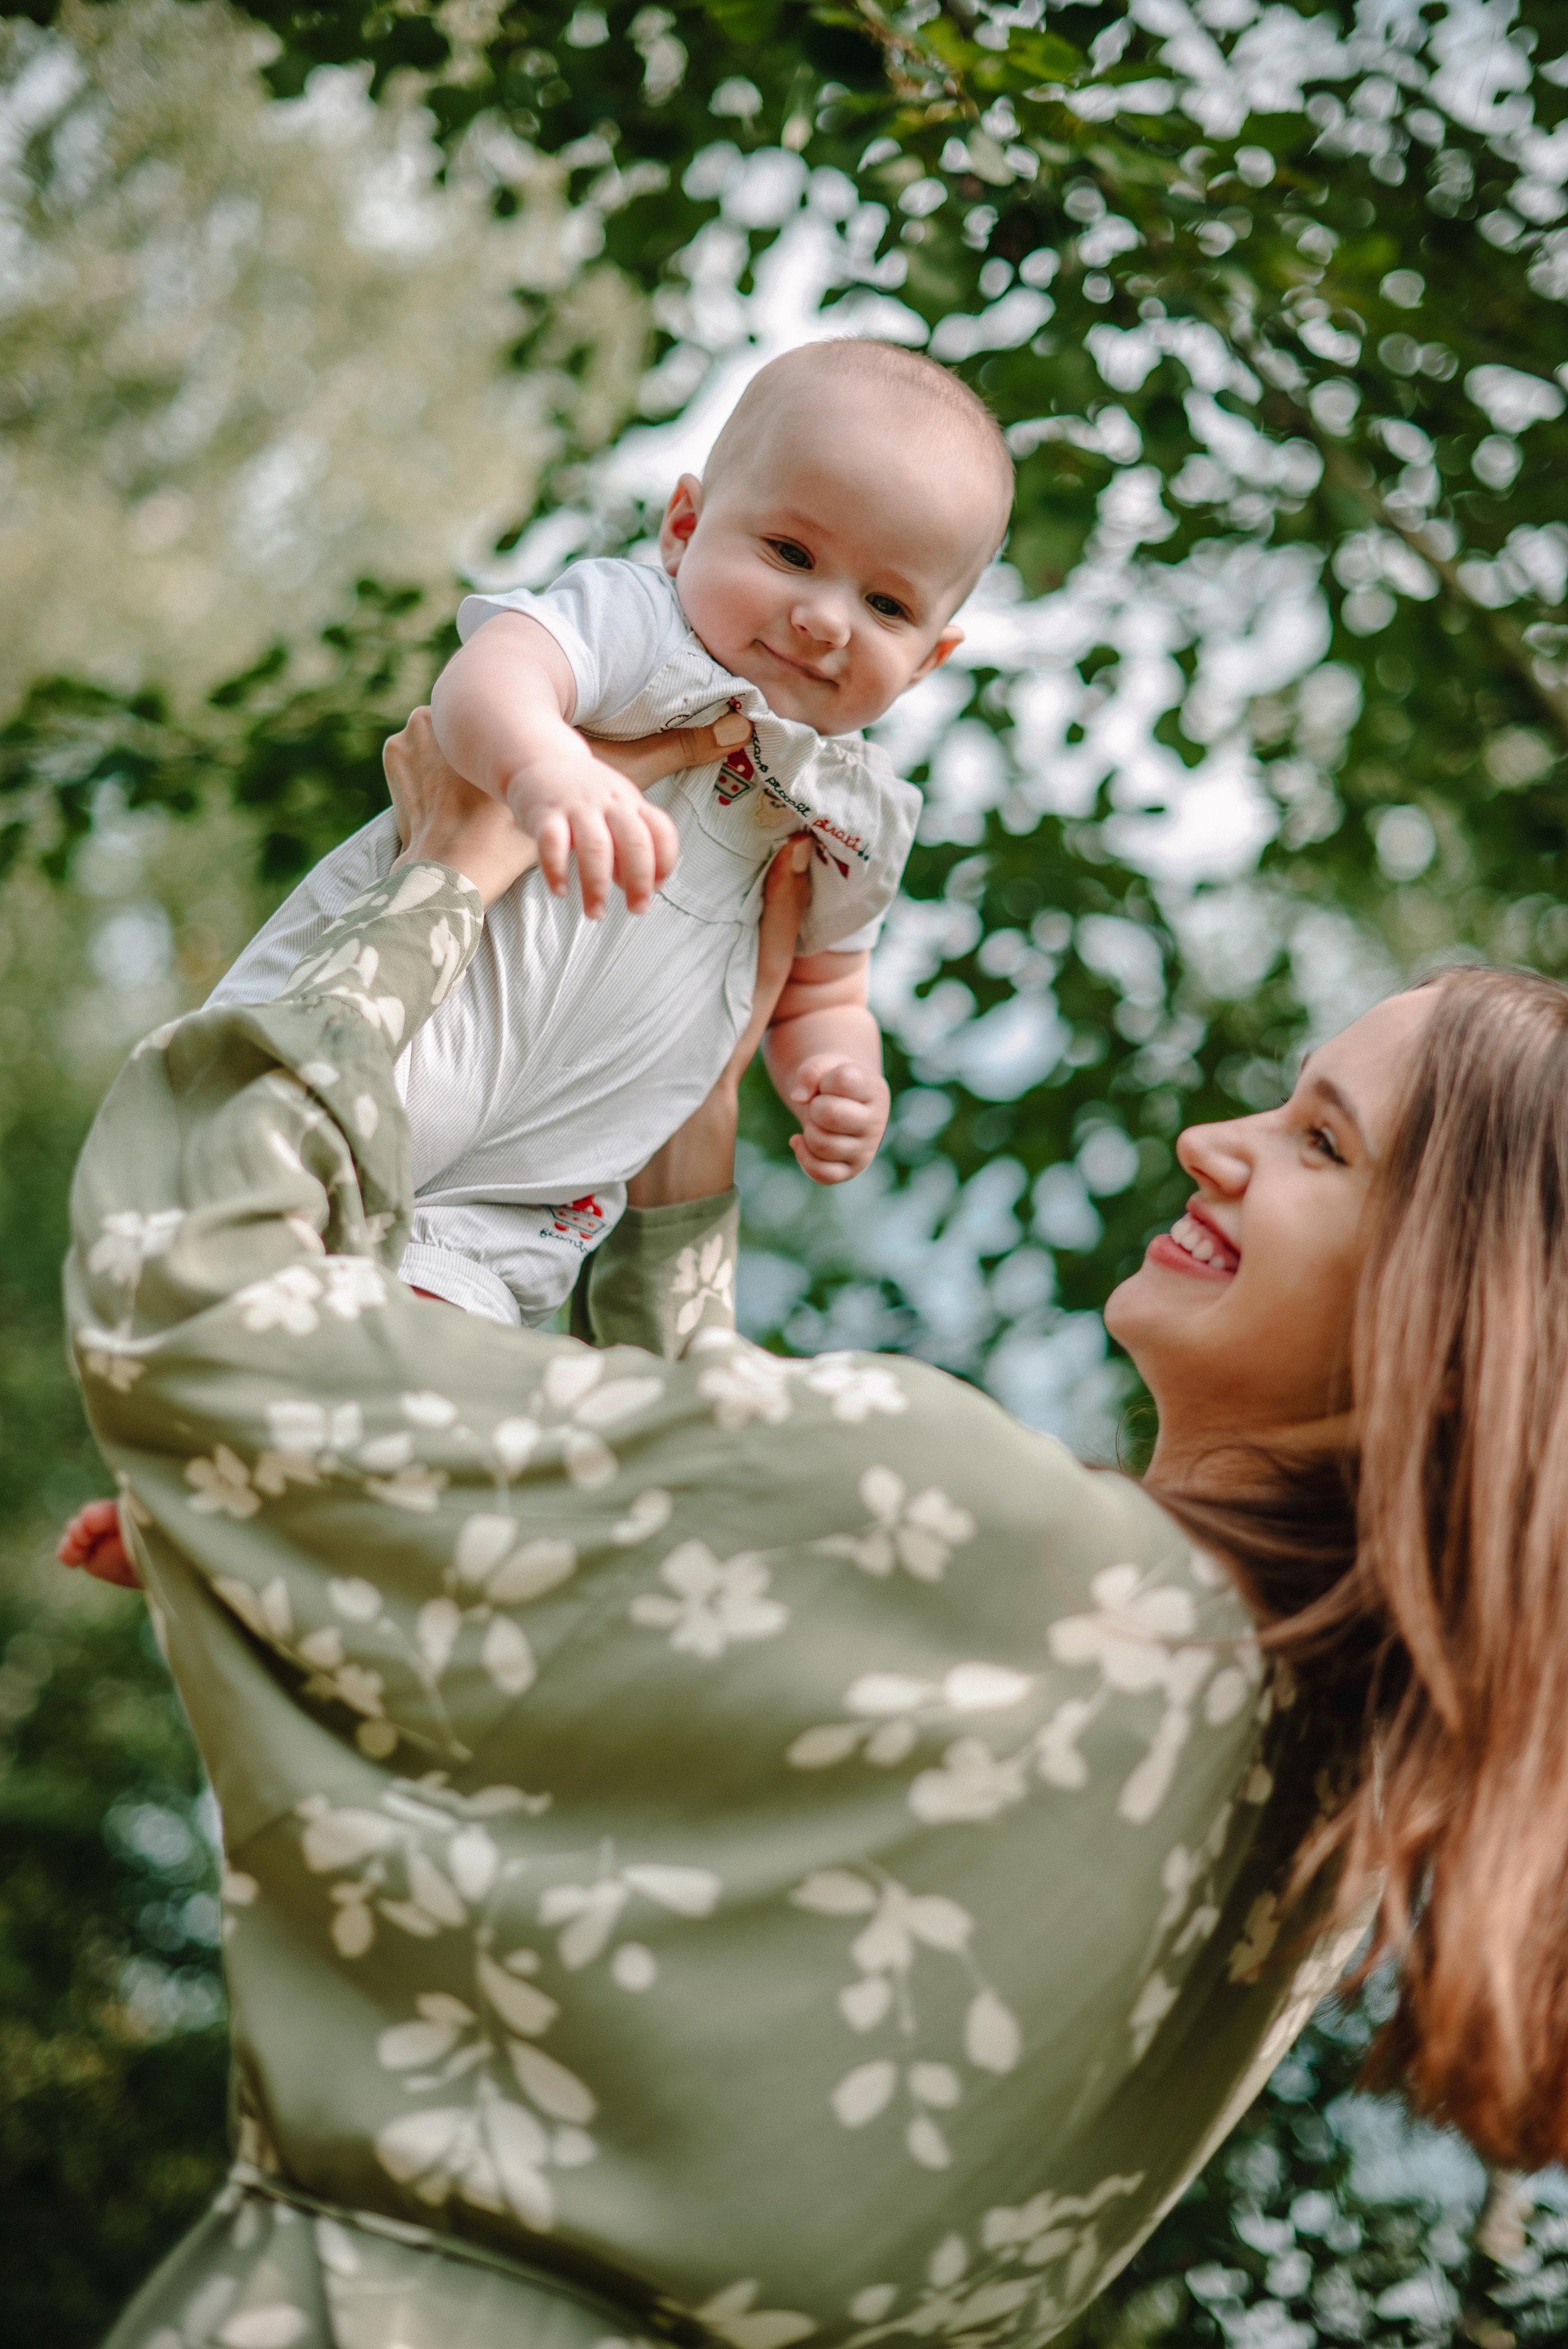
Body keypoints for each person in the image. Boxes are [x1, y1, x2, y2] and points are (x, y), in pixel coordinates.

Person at [59, 720, 1568, 2349]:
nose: (1217, 1144)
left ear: (1459, 1333)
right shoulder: (1322, 1807)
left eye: (1322, 1144)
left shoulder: (1014, 1543)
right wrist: (673, 1184)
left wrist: (431, 888)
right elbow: (758, 1716)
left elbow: (199, 1309)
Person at [201, 339, 1014, 1328]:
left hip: (513, 1212)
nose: (823, 618)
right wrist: (542, 766)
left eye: (886, 604)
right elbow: (487, 678)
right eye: (792, 555)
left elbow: (825, 987)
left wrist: (838, 1070)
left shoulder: (856, 814)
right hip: (380, 1039)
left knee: (398, 1385)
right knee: (238, 1227)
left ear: (928, 659)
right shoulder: (643, 632)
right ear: (685, 528)